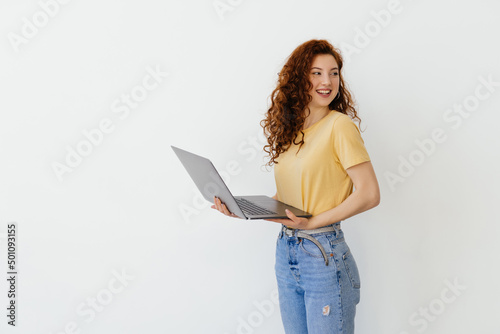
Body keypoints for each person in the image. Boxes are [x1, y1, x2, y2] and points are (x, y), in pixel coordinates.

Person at [212, 39, 380, 333]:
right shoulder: (292, 132)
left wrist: (312, 222)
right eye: (316, 73)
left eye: (334, 73)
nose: (327, 82)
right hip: (287, 249)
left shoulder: (340, 126)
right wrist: (243, 210)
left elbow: (369, 194)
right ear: (299, 78)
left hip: (323, 252)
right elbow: (287, 200)